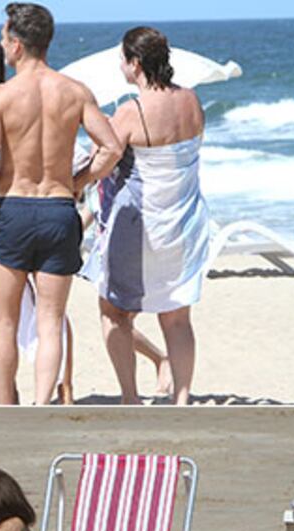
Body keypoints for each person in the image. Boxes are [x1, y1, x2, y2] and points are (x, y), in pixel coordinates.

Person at [0, 3, 122, 405]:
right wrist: (79, 182)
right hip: (58, 210)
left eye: (4, 39)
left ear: (17, 45)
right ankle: (42, 404)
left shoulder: (0, 96)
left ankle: (8, 406)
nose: (3, 46)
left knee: (4, 322)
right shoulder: (74, 91)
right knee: (50, 320)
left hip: (14, 207)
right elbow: (111, 148)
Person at [84, 26, 209, 405]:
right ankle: (182, 399)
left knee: (114, 312)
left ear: (134, 63)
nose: (121, 66)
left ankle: (130, 397)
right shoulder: (191, 101)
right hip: (185, 221)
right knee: (176, 316)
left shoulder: (131, 111)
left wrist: (75, 180)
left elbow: (102, 163)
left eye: (123, 59)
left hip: (141, 224)